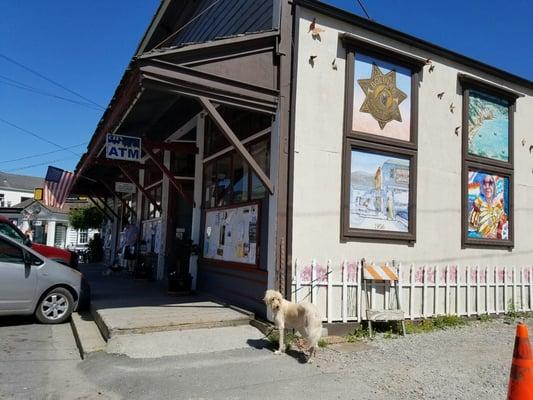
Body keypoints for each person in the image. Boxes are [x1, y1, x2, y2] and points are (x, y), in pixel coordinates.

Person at [469, 174, 508, 239]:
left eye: (490, 183)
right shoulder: (477, 205)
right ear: (481, 187)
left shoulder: (499, 207)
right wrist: (484, 237)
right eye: (484, 184)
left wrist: (497, 235)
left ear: (494, 187)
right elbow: (470, 233)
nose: (487, 187)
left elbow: (504, 230)